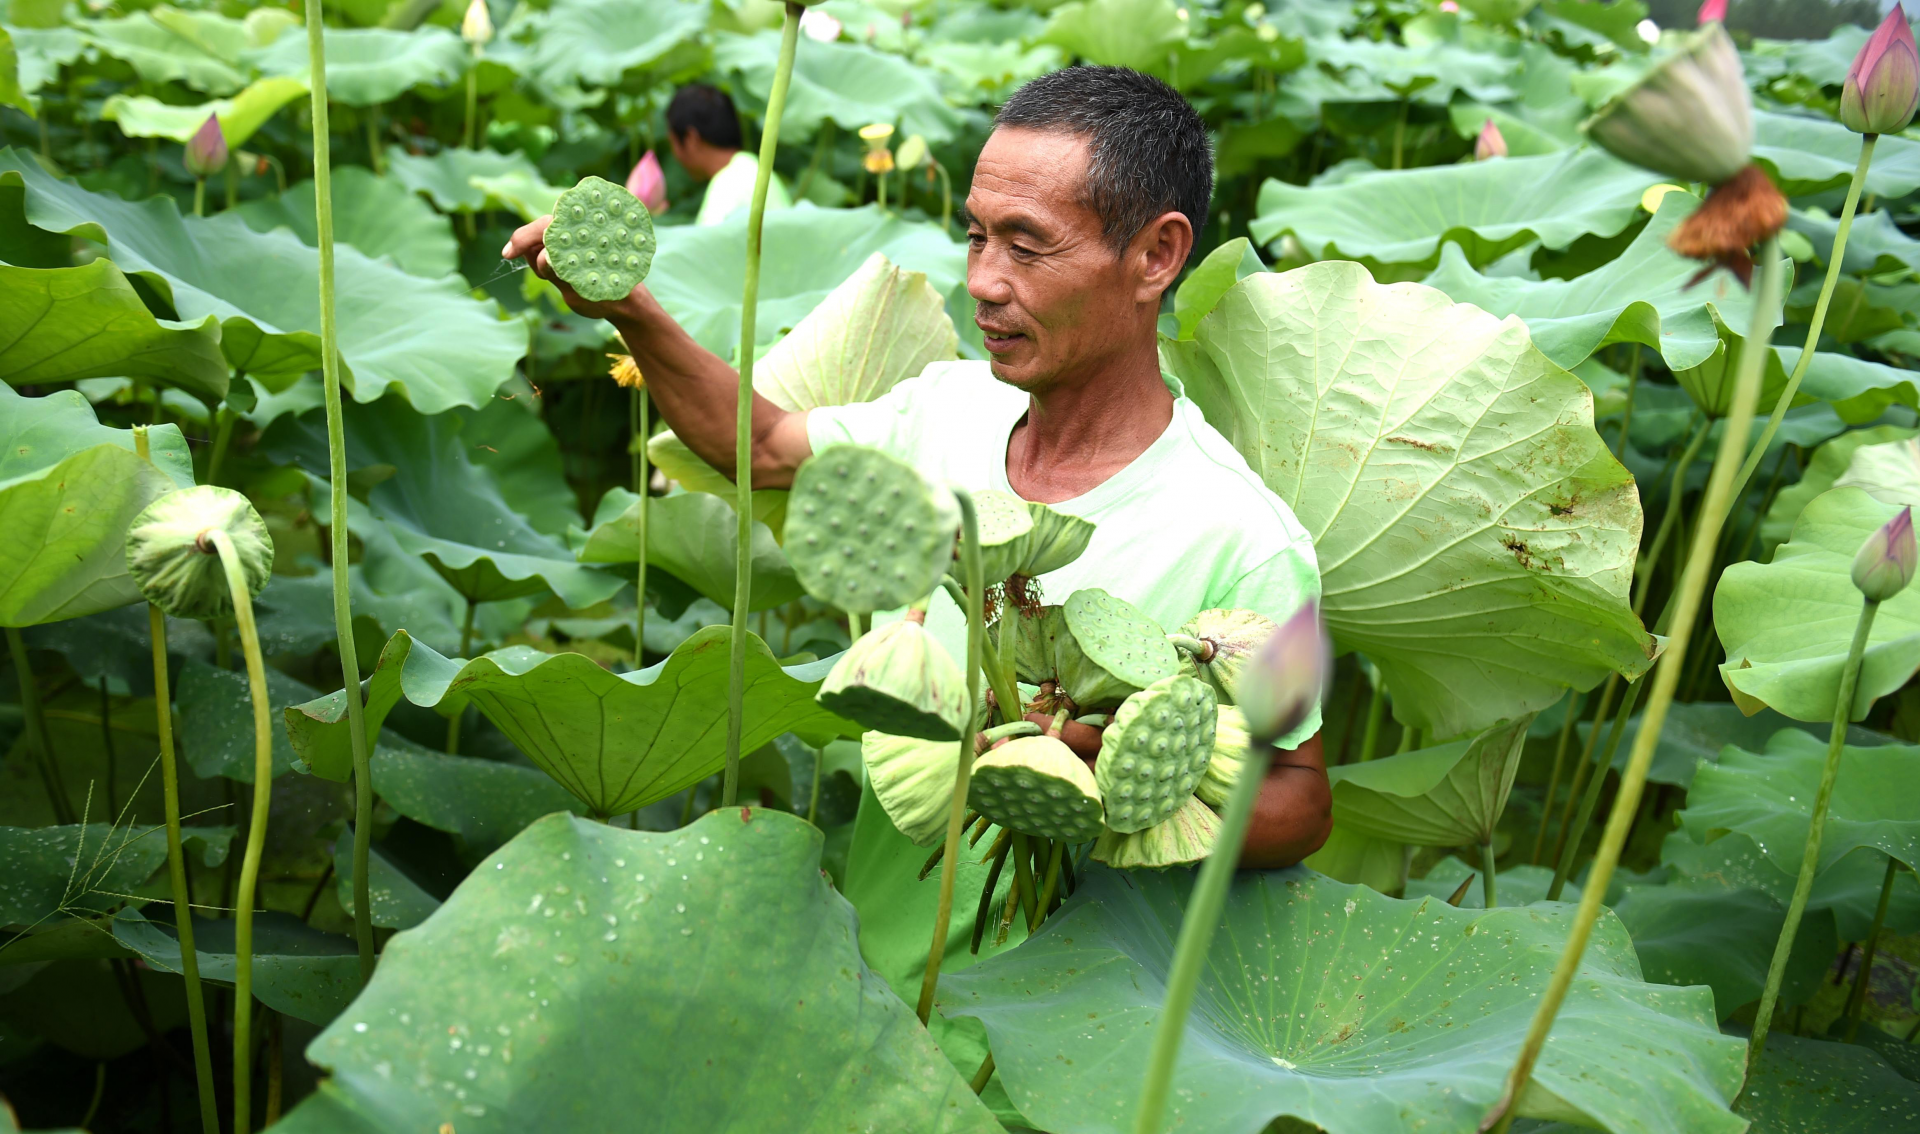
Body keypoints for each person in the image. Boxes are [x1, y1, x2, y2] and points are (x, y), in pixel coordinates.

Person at [505, 66, 1331, 868]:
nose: (982, 281)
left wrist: (1098, 773)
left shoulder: (1242, 535)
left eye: (1026, 246)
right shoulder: (945, 408)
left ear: (1157, 254)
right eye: (976, 236)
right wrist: (632, 311)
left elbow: (1299, 799)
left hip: (1078, 992)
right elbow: (756, 447)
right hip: (878, 966)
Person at [664, 83, 792, 226]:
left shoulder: (727, 188)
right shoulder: (761, 173)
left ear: (691, 139)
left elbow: (708, 246)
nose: (674, 154)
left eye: (672, 142)